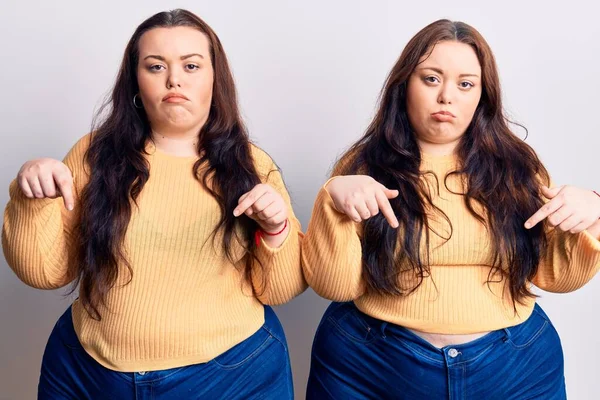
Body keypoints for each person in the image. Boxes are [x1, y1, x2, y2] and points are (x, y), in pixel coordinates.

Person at [2, 9, 305, 399]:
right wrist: (32, 197)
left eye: (191, 65)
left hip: (229, 377)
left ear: (216, 79)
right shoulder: (93, 155)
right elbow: (44, 273)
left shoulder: (251, 165)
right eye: (155, 66)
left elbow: (280, 290)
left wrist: (276, 229)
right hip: (88, 373)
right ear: (135, 81)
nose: (174, 79)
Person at [302, 19, 599, 399]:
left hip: (514, 369)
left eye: (465, 84)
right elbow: (336, 286)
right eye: (431, 78)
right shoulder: (363, 166)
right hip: (372, 364)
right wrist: (332, 201)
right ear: (404, 86)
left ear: (482, 96)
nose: (447, 96)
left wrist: (593, 217)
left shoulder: (519, 167)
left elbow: (557, 277)